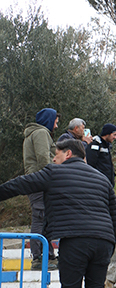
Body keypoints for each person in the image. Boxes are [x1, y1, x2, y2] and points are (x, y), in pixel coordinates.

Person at [0, 138, 116, 288]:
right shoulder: (101, 178)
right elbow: (115, 215)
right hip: (103, 240)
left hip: (75, 240)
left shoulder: (53, 173)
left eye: (55, 156)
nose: (53, 160)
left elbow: (21, 184)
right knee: (96, 287)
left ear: (67, 154)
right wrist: (110, 242)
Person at [22, 108, 59, 270]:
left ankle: (48, 256)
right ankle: (37, 258)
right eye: (56, 122)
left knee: (45, 218)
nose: (56, 126)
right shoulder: (41, 133)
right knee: (39, 217)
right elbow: (44, 158)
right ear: (49, 120)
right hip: (39, 182)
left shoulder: (36, 133)